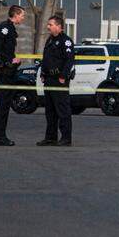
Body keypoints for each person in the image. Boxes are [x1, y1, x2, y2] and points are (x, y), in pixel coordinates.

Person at [0, 5, 25, 146]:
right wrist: (8, 59)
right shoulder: (6, 27)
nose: (23, 18)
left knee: (5, 103)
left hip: (7, 69)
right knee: (3, 104)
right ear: (15, 14)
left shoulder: (8, 27)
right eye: (22, 15)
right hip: (5, 70)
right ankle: (0, 136)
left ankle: (0, 135)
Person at [37, 15, 75, 147]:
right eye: (48, 24)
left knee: (62, 110)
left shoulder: (66, 41)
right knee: (50, 110)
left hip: (59, 80)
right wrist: (43, 72)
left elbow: (69, 60)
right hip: (49, 79)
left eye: (50, 24)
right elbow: (46, 58)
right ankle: (50, 137)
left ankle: (66, 138)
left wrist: (63, 76)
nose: (48, 27)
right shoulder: (49, 40)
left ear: (59, 26)